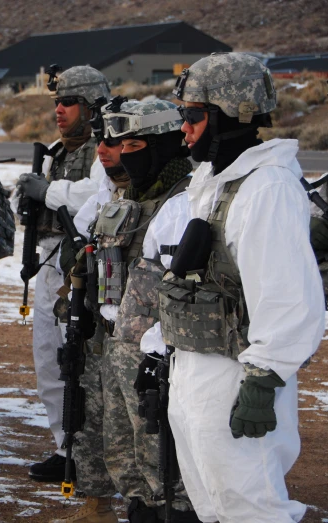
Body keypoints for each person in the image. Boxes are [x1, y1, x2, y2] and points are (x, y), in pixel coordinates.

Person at [145, 52, 324, 522]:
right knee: (212, 503)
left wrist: (264, 377)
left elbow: (288, 295)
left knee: (251, 505)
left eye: (193, 116)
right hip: (195, 364)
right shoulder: (216, 183)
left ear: (232, 115)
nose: (184, 128)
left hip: (235, 372)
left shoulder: (266, 188)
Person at [56, 99, 197, 523]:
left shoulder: (186, 201)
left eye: (134, 143)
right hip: (114, 345)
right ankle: (135, 507)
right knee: (123, 450)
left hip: (159, 356)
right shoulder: (123, 198)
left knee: (163, 459)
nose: (122, 153)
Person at [15, 65, 108, 485]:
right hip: (54, 257)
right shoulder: (59, 150)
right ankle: (64, 444)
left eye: (68, 102)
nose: (59, 109)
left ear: (89, 106)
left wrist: (48, 192)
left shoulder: (105, 148)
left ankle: (88, 448)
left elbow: (95, 195)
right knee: (48, 358)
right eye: (56, 102)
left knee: (80, 359)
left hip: (85, 263)